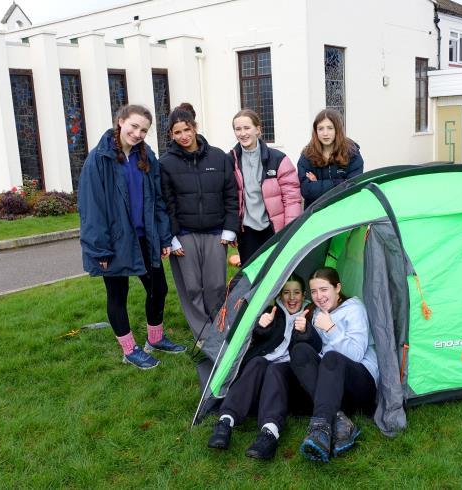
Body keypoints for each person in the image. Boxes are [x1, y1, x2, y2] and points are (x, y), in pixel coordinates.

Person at [78, 104, 186, 370]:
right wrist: (99, 250)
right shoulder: (99, 159)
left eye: (144, 130)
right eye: (134, 126)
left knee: (158, 289)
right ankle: (129, 350)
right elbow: (92, 208)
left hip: (145, 237)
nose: (137, 133)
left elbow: (157, 200)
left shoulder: (146, 156)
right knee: (118, 294)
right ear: (120, 121)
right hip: (114, 241)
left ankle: (155, 339)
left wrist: (163, 237)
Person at [207, 274, 322, 460]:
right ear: (280, 295)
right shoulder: (272, 311)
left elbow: (316, 347)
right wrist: (262, 327)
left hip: (290, 369)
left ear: (304, 295)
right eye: (287, 292)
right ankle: (225, 422)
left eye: (296, 292)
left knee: (275, 370)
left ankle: (269, 433)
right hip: (266, 364)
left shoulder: (311, 313)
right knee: (257, 362)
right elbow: (256, 340)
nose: (292, 298)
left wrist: (306, 331)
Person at [159, 104, 239, 341]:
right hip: (184, 234)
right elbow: (166, 202)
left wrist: (230, 228)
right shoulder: (165, 163)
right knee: (191, 287)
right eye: (177, 132)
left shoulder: (219, 157)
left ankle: (219, 329)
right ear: (171, 134)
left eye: (187, 130)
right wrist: (171, 238)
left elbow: (231, 195)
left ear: (194, 128)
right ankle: (203, 336)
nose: (183, 136)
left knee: (216, 286)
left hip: (216, 232)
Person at [290, 267, 378, 462]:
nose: (319, 296)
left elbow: (355, 354)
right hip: (333, 389)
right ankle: (338, 419)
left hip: (361, 384)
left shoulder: (355, 309)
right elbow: (318, 349)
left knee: (332, 357)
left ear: (337, 288)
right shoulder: (318, 313)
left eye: (324, 289)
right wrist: (306, 332)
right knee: (300, 351)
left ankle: (320, 428)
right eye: (314, 291)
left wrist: (331, 328)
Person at [228, 109, 302, 264]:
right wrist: (232, 227)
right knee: (251, 274)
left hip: (274, 229)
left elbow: (292, 198)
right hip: (246, 232)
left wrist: (289, 230)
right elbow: (227, 197)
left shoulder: (278, 159)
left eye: (247, 128)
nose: (242, 133)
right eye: (238, 129)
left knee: (275, 273)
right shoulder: (230, 161)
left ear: (258, 129)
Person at [297, 109, 364, 209]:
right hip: (316, 212)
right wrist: (339, 183)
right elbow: (306, 190)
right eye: (320, 129)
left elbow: (352, 187)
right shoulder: (307, 155)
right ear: (315, 131)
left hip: (345, 210)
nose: (325, 133)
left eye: (330, 128)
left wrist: (317, 184)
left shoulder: (352, 153)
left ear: (337, 129)